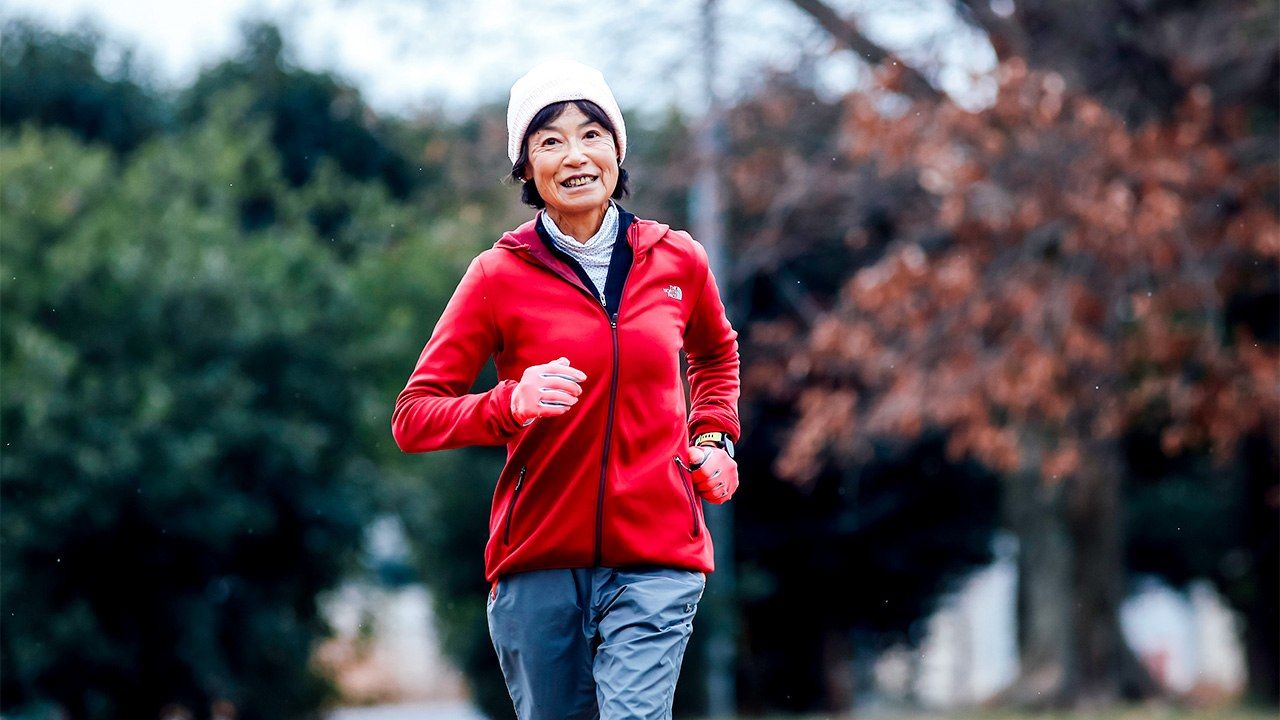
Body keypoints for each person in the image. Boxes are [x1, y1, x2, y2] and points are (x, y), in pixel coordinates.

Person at [391, 59, 741, 720]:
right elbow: (413, 416)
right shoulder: (497, 276)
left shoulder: (678, 261)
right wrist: (508, 403)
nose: (575, 155)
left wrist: (715, 436)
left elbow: (716, 354)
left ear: (617, 150)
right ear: (525, 167)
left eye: (592, 134)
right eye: (550, 140)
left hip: (658, 554)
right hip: (538, 561)